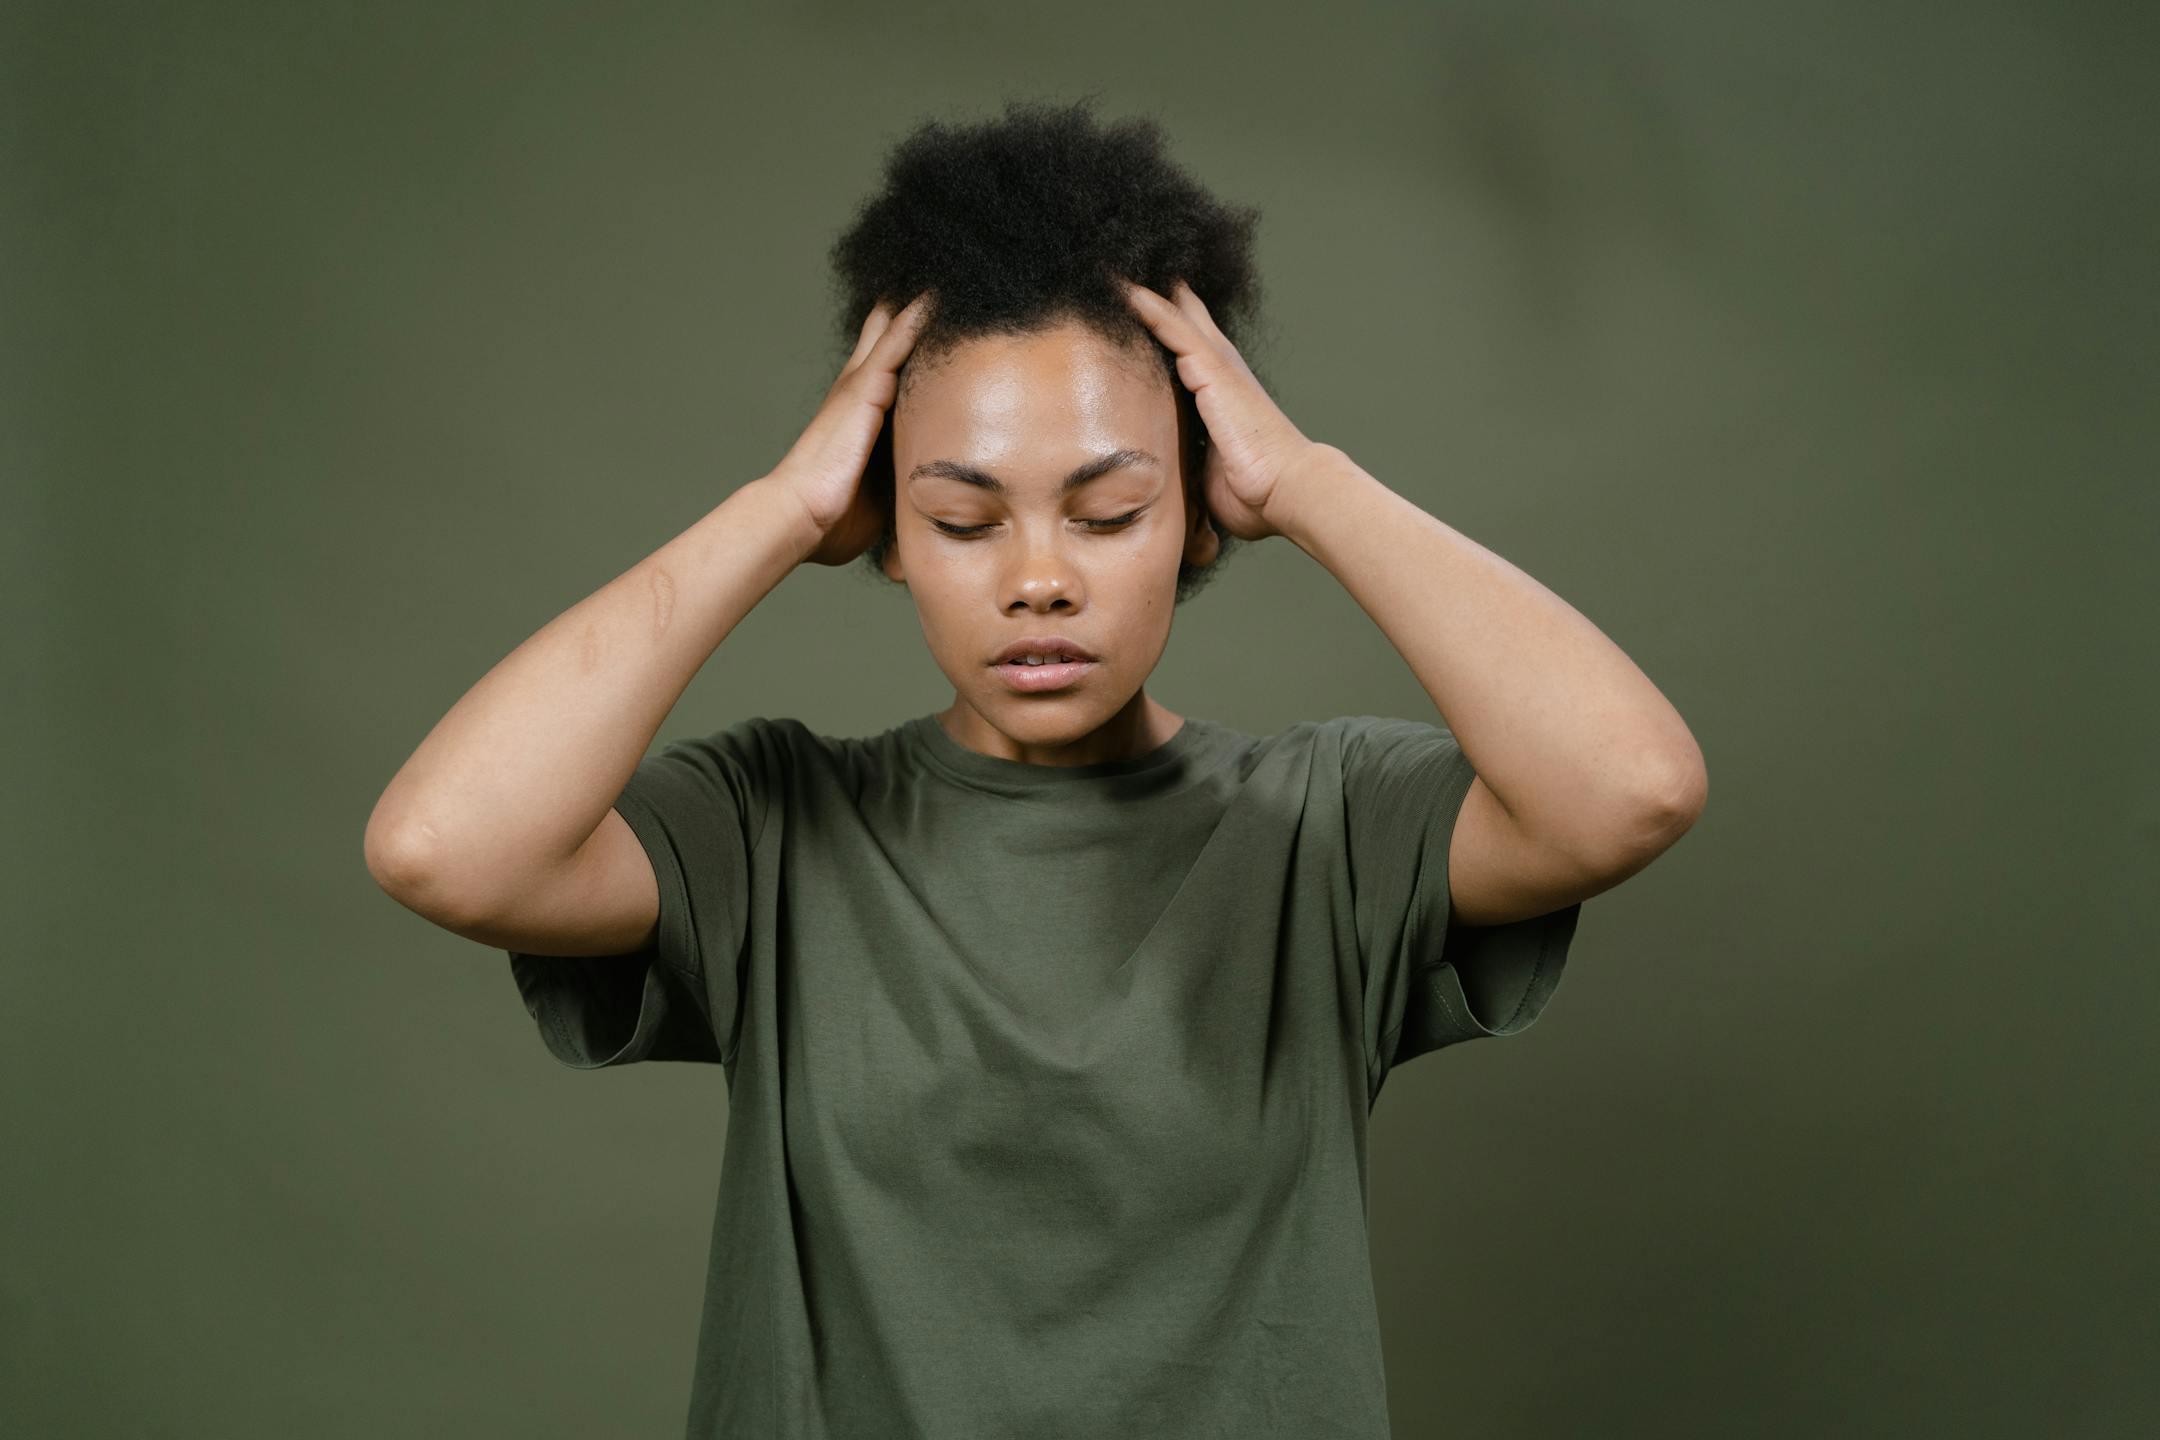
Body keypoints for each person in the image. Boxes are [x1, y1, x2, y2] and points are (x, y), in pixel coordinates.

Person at [364, 98, 1705, 1439]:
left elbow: (1630, 787)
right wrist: (777, 510)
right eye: (962, 519)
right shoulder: (768, 828)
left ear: (1198, 516)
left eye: (1110, 512)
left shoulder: (1329, 829)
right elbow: (445, 848)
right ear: (887, 530)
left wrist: (1308, 483)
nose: (1040, 579)